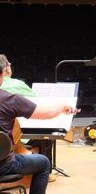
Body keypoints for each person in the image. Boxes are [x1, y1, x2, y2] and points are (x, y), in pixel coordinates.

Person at [0, 60, 78, 194]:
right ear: (1, 75)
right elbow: (47, 113)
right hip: (3, 165)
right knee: (44, 163)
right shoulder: (8, 99)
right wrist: (62, 106)